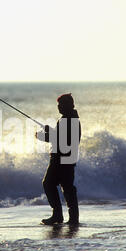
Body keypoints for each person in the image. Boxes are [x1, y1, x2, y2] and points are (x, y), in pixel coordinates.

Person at [35, 93, 81, 225]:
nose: (59, 108)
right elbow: (62, 136)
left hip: (60, 159)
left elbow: (60, 139)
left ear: (68, 105)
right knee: (67, 187)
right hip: (68, 158)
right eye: (58, 105)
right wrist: (51, 131)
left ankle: (58, 215)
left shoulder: (68, 120)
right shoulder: (70, 118)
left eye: (61, 105)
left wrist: (42, 136)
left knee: (49, 183)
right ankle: (72, 218)